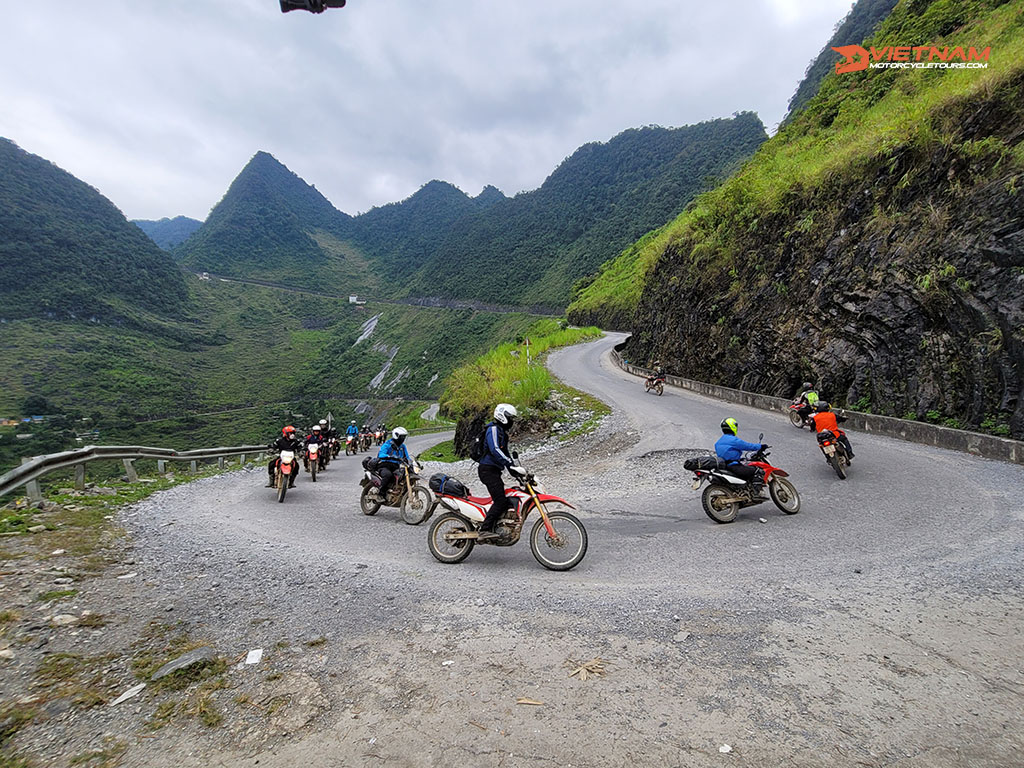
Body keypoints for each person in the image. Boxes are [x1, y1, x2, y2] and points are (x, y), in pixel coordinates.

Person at [477, 403, 527, 542]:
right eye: (510, 418)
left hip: (493, 470)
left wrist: (517, 473)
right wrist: (509, 463)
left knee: (507, 497)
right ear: (502, 416)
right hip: (487, 470)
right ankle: (485, 530)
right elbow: (495, 450)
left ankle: (499, 525)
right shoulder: (493, 429)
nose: (512, 421)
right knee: (500, 501)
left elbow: (506, 454)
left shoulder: (501, 432)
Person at [714, 418, 768, 489]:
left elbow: (728, 454)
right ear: (733, 427)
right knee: (757, 470)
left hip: (725, 467)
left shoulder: (719, 442)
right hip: (734, 467)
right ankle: (755, 493)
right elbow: (747, 446)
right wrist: (761, 446)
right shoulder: (733, 440)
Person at [376, 427, 412, 497]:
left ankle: (398, 492)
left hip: (395, 466)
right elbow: (381, 454)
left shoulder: (402, 447)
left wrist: (412, 463)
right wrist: (390, 456)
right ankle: (380, 493)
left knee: (403, 475)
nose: (403, 439)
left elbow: (407, 457)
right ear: (396, 435)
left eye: (404, 437)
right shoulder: (387, 444)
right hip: (384, 465)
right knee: (388, 475)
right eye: (401, 437)